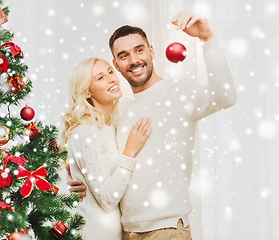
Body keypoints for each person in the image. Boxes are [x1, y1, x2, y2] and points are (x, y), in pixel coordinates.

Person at [66, 11, 237, 240]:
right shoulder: (118, 110)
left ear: (151, 51)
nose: (134, 60)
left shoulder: (179, 92)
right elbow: (103, 163)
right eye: (124, 56)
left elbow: (225, 96)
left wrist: (206, 38)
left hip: (165, 230)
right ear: (116, 65)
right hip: (125, 232)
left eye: (139, 50)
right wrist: (74, 181)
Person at [60, 58, 153, 240]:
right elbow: (108, 199)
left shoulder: (111, 126)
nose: (111, 79)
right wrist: (130, 151)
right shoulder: (87, 131)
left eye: (111, 72)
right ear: (87, 91)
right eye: (100, 77)